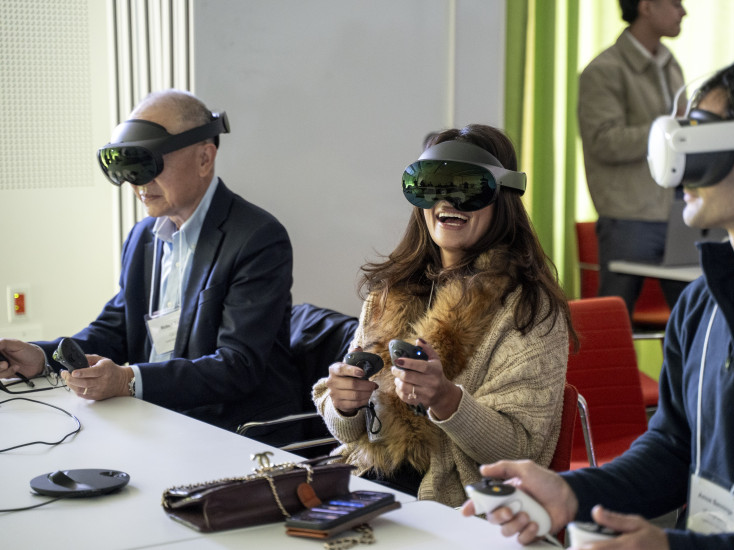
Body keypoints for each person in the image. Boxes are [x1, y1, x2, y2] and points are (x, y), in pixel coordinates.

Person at [462, 42, 734, 549]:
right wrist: (569, 492)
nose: (680, 166)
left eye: (701, 144)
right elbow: (671, 448)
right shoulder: (700, 304)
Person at [0, 90, 299, 444]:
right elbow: (115, 330)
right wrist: (43, 358)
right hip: (154, 420)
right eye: (126, 169)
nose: (137, 183)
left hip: (233, 433)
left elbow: (237, 367)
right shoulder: (143, 237)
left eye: (147, 164)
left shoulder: (256, 237)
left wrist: (128, 380)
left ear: (204, 158)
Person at [313, 124, 575, 507]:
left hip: (456, 505)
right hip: (368, 484)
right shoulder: (389, 292)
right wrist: (343, 404)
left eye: (469, 187)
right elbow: (350, 434)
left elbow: (522, 450)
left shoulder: (529, 310)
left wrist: (448, 400)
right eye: (431, 186)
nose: (448, 202)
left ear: (503, 195)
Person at [578, 0, 688, 315]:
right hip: (628, 217)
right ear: (646, 7)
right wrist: (670, 130)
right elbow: (604, 142)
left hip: (677, 210)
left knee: (691, 319)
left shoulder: (671, 64)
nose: (684, 11)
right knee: (615, 317)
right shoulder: (603, 70)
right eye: (676, 3)